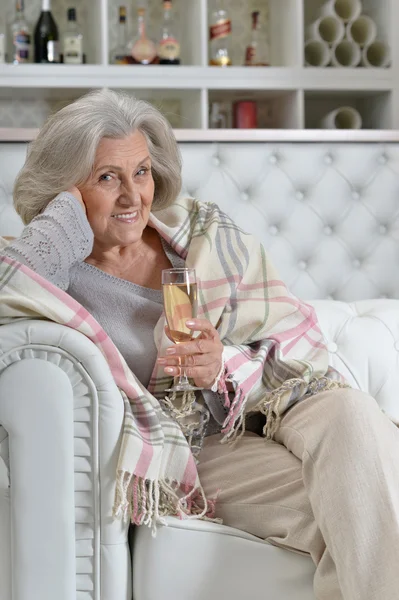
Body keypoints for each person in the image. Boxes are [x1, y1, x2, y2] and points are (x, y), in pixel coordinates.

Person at [2, 89, 399, 600]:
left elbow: (293, 341)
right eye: (107, 177)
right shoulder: (45, 273)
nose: (132, 197)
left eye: (141, 172)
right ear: (65, 191)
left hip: (279, 406)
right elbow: (8, 288)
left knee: (349, 412)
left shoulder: (201, 235)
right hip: (196, 447)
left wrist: (222, 366)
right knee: (364, 506)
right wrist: (58, 228)